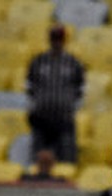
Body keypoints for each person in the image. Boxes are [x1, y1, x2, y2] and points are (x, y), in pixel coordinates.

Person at [26, 24, 84, 164]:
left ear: (64, 40)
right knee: (38, 157)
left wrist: (70, 106)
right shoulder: (38, 61)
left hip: (64, 118)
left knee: (67, 157)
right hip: (41, 117)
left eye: (59, 39)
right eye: (54, 39)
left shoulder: (73, 63)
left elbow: (80, 89)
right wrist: (35, 105)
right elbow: (29, 86)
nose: (56, 42)